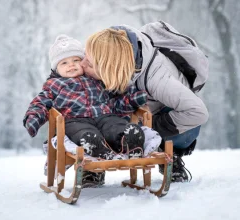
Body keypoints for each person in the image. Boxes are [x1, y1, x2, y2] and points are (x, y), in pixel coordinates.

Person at [80, 25, 209, 183]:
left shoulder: (158, 80)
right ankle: (96, 164)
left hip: (168, 112)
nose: (82, 64)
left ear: (111, 70)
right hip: (135, 109)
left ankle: (170, 153)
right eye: (85, 56)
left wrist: (150, 128)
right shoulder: (109, 49)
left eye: (90, 64)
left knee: (186, 128)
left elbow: (198, 112)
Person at [23, 34, 147, 187]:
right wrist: (33, 118)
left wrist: (134, 99)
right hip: (74, 120)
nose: (71, 65)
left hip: (104, 116)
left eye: (76, 60)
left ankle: (129, 140)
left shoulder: (96, 79)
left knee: (115, 125)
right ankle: (94, 145)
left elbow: (116, 102)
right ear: (56, 68)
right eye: (64, 62)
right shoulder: (53, 84)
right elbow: (40, 102)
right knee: (83, 132)